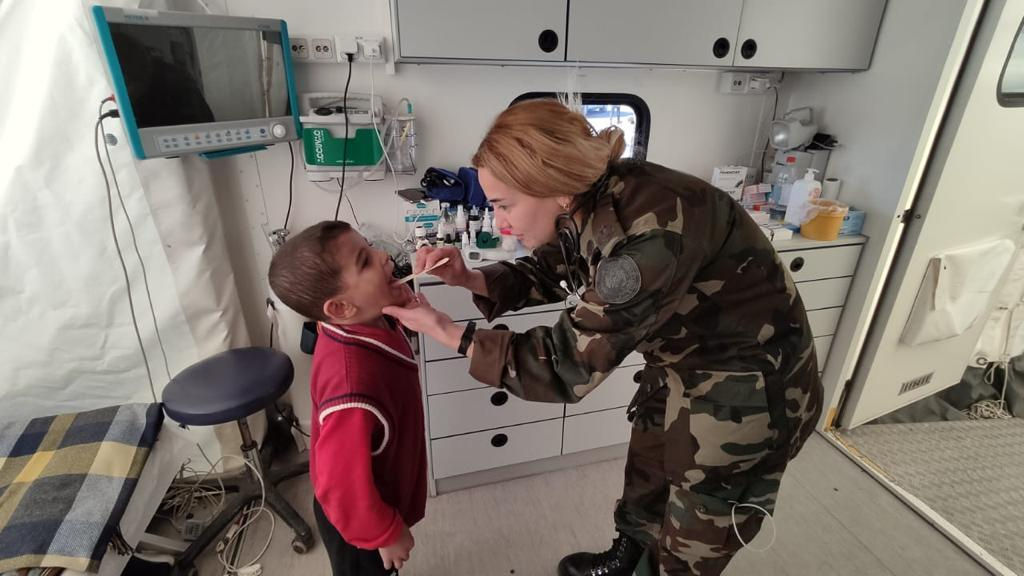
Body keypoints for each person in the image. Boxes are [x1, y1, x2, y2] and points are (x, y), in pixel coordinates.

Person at [383, 99, 823, 575]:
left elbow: (565, 365)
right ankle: (627, 557)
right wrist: (470, 278)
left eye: (504, 205)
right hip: (683, 364)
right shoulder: (594, 198)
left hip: (750, 388)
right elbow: (562, 265)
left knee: (697, 532)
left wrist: (448, 332)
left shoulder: (648, 235)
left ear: (555, 188)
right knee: (649, 473)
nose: (501, 221)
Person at [269, 221, 424, 576]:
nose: (382, 256)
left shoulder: (357, 322)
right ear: (339, 308)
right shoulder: (353, 391)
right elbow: (340, 486)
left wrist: (400, 300)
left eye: (369, 247)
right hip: (358, 520)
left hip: (374, 498)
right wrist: (384, 533)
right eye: (365, 260)